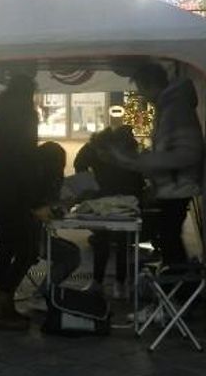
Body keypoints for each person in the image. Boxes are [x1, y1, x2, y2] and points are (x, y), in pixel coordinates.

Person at [106, 63, 203, 267]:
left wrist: (145, 161)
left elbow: (188, 153)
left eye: (141, 89)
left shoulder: (176, 109)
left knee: (170, 239)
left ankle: (180, 287)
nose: (141, 95)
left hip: (177, 187)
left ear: (150, 85)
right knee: (169, 238)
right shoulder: (169, 107)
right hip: (172, 187)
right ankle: (177, 285)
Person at [0, 75, 40, 331]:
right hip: (12, 191)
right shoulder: (24, 116)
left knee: (6, 246)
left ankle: (2, 306)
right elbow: (24, 159)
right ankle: (0, 306)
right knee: (27, 249)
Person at [73, 126, 144, 300]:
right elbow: (138, 180)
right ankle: (119, 283)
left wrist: (90, 185)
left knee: (104, 242)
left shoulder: (102, 148)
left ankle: (101, 283)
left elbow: (79, 165)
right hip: (120, 200)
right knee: (120, 243)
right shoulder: (114, 149)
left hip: (106, 199)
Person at [28, 141, 81, 309]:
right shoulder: (40, 184)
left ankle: (44, 292)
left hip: (32, 234)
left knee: (70, 252)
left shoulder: (33, 178)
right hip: (31, 236)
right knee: (71, 255)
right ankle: (42, 294)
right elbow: (40, 212)